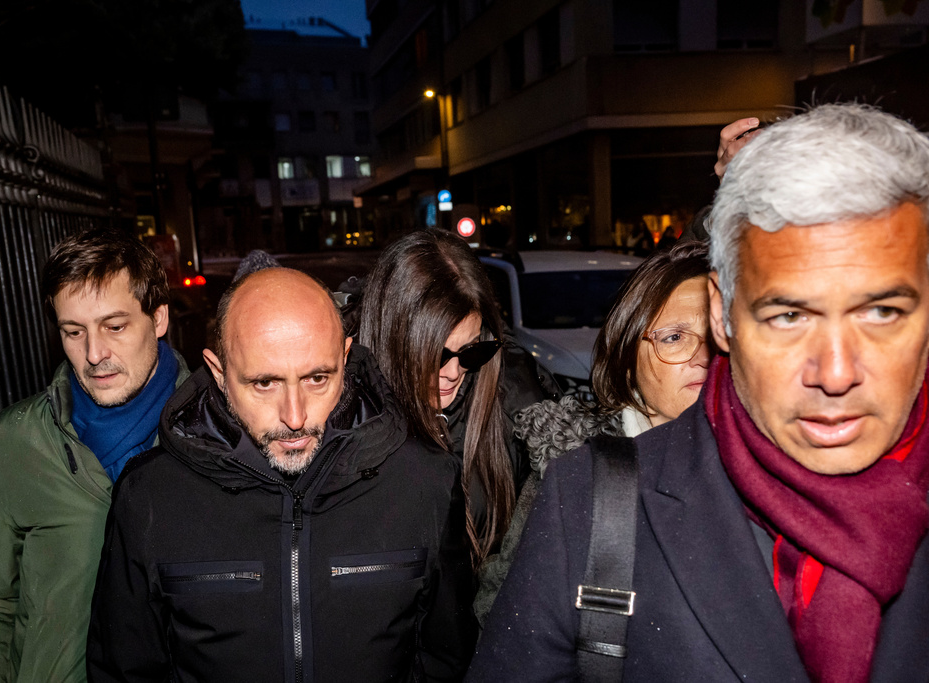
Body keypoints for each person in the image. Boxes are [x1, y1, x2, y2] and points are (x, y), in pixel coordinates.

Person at [469, 103, 929, 682]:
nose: (835, 374)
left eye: (882, 312)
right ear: (722, 315)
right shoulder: (586, 502)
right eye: (788, 316)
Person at [86, 267, 475, 681]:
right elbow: (125, 671)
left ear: (345, 359)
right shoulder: (150, 497)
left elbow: (448, 662)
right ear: (219, 373)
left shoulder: (425, 483)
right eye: (265, 383)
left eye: (317, 378)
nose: (295, 416)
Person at [0, 229, 190, 683]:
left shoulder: (216, 433)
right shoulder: (11, 443)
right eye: (74, 332)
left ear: (158, 318)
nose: (94, 354)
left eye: (114, 327)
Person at [474, 240, 712, 622]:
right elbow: (509, 616)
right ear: (627, 358)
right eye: (674, 337)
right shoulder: (574, 473)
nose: (703, 356)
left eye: (719, 336)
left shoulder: (774, 467)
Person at [357, 229, 557, 569]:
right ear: (394, 343)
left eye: (471, 351)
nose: (453, 372)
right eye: (436, 355)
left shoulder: (517, 403)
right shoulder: (345, 413)